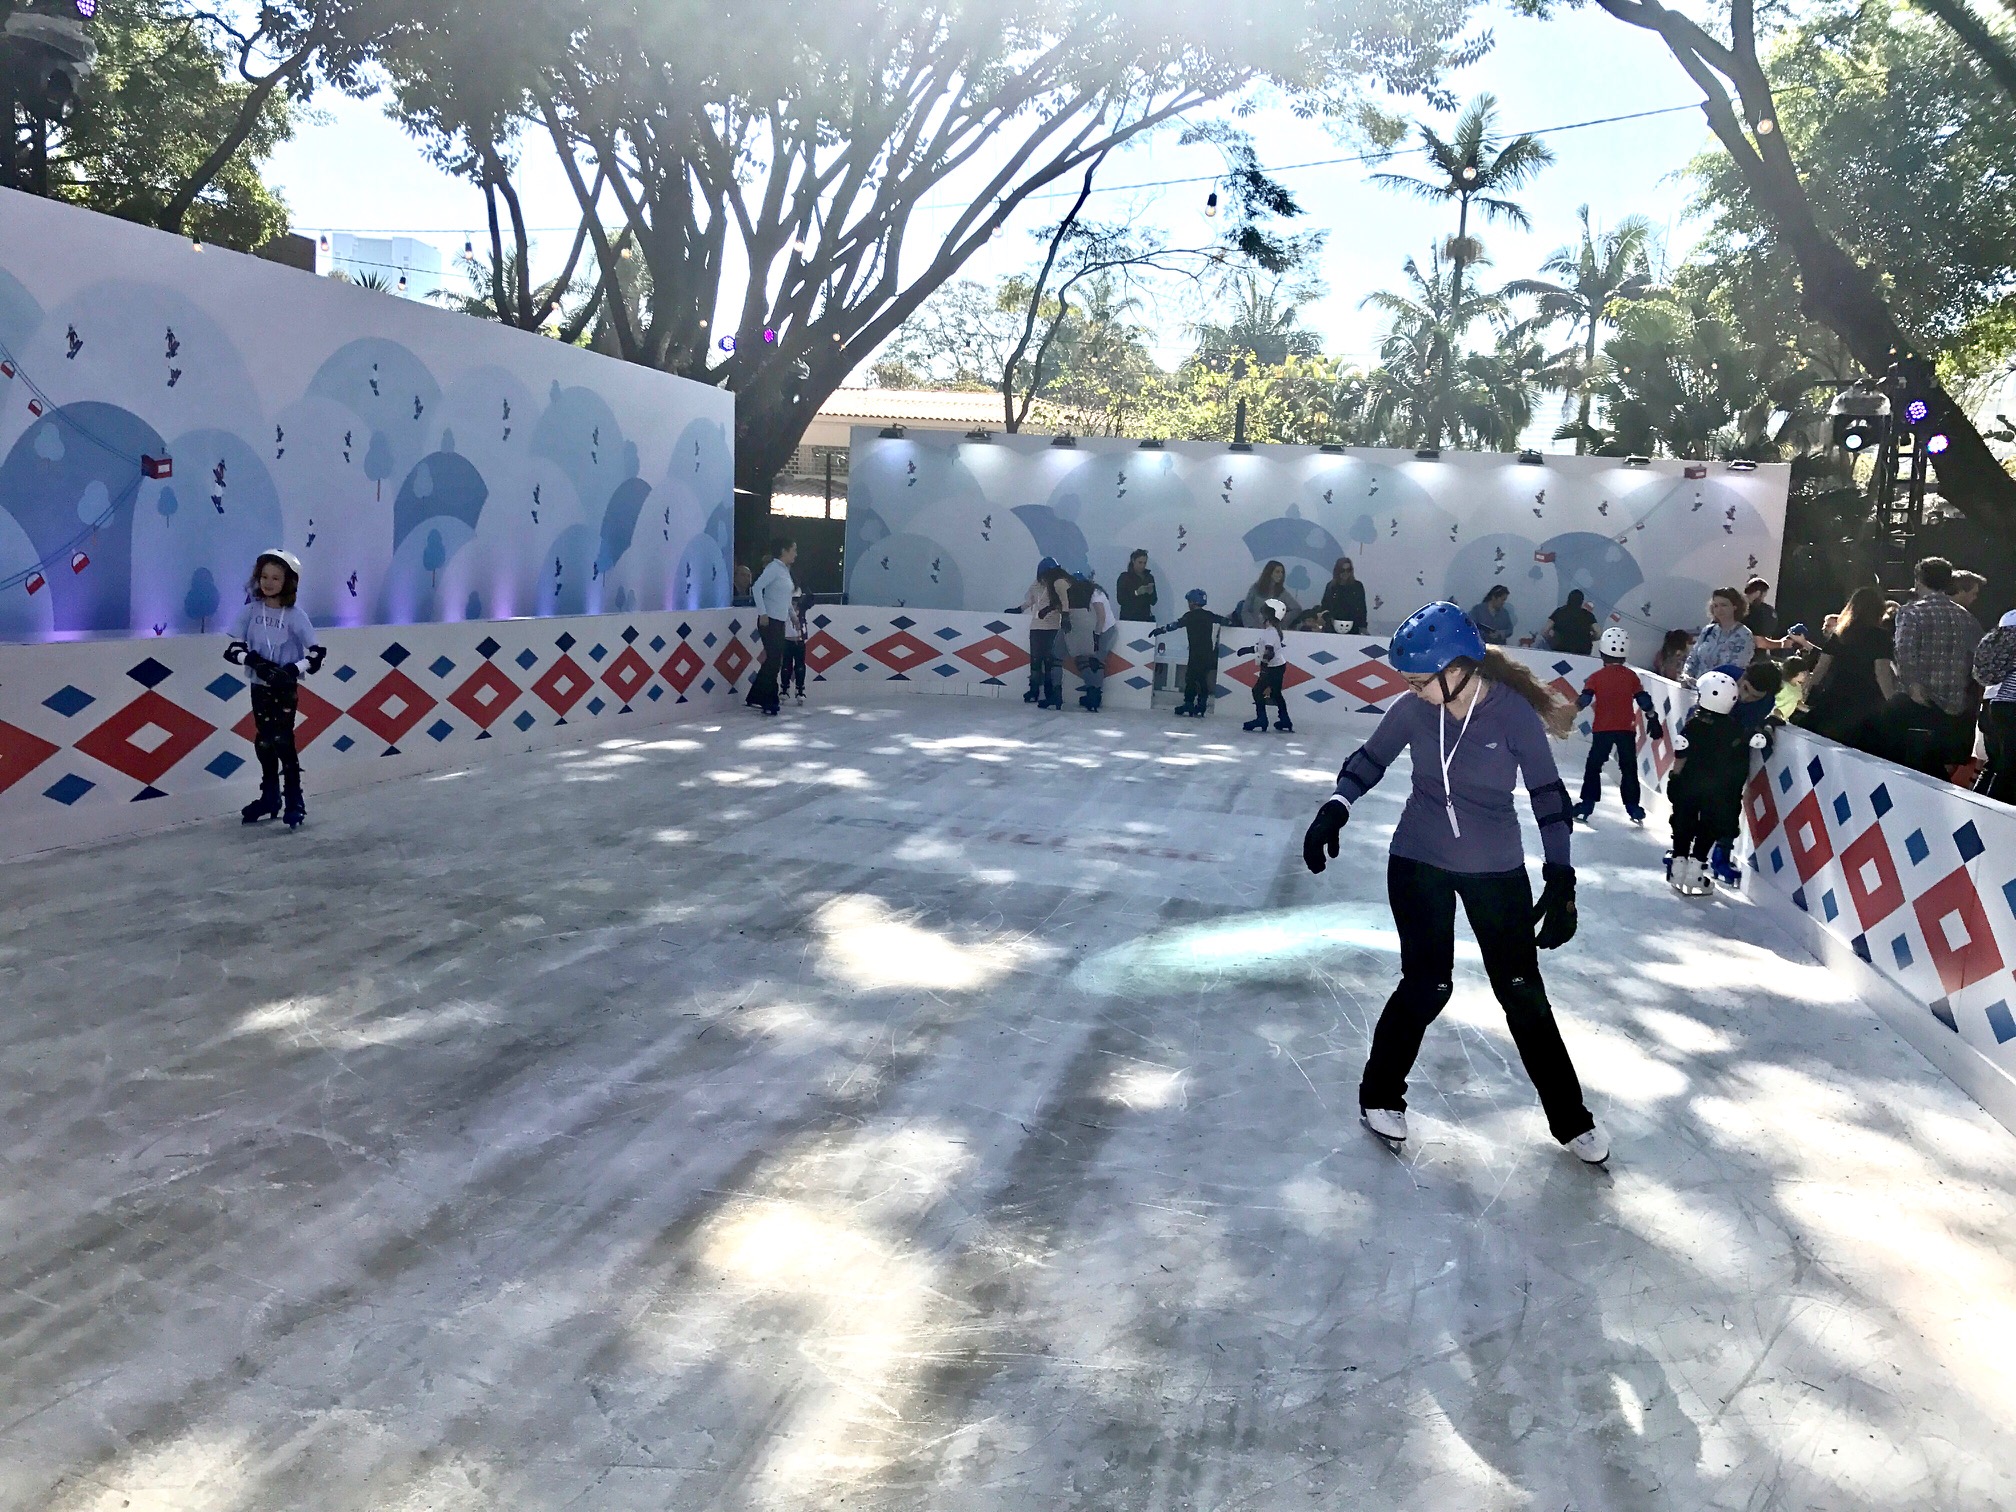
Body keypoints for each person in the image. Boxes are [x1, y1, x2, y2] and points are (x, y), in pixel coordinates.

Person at [1301, 603, 1608, 1165]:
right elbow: (1370, 759)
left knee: (1521, 990)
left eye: (1420, 681)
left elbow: (1547, 795)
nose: (1413, 692)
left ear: (1458, 669)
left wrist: (1561, 875)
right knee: (1428, 984)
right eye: (1409, 682)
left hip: (1496, 868)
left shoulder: (1512, 714)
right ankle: (1379, 1095)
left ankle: (1571, 1118)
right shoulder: (1414, 710)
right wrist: (1336, 806)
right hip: (1418, 859)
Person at [224, 549, 326, 830]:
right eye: (264, 576)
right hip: (259, 686)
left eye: (276, 578)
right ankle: (269, 796)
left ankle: (294, 799)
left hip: (284, 688)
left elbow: (317, 653)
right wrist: (255, 662)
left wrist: (292, 670)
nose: (268, 583)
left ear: (288, 582)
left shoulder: (295, 616)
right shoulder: (251, 611)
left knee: (283, 740)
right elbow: (233, 648)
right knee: (263, 741)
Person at [1889, 556, 1982, 776]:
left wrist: (1912, 686)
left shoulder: (1912, 612)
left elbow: (1904, 652)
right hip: (1954, 706)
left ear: (1919, 580)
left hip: (1919, 702)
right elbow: (1978, 658)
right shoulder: (1966, 617)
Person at [1666, 671, 1757, 897]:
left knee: (1683, 821)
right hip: (1719, 790)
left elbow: (1681, 755)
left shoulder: (1694, 724)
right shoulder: (1735, 728)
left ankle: (1678, 864)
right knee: (1709, 826)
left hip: (1690, 784)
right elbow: (1740, 763)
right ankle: (1696, 869)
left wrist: (1675, 777)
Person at [1574, 626, 1661, 824]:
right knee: (1628, 768)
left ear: (1602, 652)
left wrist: (1570, 712)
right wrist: (1652, 717)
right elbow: (1643, 699)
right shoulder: (1631, 676)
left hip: (1602, 730)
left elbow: (1585, 699)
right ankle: (1633, 808)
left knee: (1594, 766)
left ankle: (1587, 805)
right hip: (1626, 730)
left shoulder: (1596, 677)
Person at [1791, 586, 1894, 751]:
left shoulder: (1840, 634)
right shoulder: (1881, 636)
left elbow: (1821, 667)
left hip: (1836, 695)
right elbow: (1882, 672)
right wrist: (1891, 701)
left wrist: (1807, 688)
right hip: (1866, 701)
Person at [1156, 589, 1233, 718]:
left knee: (1191, 678)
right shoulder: (1208, 615)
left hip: (1195, 653)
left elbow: (1175, 625)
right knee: (1202, 678)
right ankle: (1202, 704)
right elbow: (1223, 620)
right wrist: (1231, 621)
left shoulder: (1189, 616)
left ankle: (1189, 703)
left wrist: (1161, 630)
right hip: (1208, 653)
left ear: (1192, 602)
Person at [747, 536, 798, 716]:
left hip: (779, 620)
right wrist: (762, 612)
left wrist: (792, 615)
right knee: (774, 660)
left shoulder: (784, 570)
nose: (795, 554)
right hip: (769, 621)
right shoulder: (773, 568)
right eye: (793, 550)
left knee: (773, 659)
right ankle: (769, 700)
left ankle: (756, 695)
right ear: (784, 551)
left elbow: (785, 597)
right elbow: (757, 587)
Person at [1974, 610, 2016, 803]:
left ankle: (1979, 806)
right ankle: (1992, 811)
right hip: (2010, 705)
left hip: (1996, 702)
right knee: (2008, 768)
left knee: (1996, 765)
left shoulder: (2007, 621)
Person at [1017, 558, 1068, 708]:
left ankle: (1049, 692)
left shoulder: (1058, 584)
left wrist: (1062, 615)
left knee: (1049, 661)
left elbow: (1063, 602)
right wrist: (1019, 609)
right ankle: (1034, 690)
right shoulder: (1037, 584)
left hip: (1052, 627)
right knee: (1035, 660)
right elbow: (1031, 600)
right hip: (1036, 627)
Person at [1239, 598, 1293, 733]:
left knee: (1257, 691)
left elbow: (1269, 652)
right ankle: (1285, 720)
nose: (1259, 615)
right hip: (1279, 666)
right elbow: (1263, 648)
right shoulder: (1272, 631)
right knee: (1275, 693)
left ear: (1268, 615)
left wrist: (1264, 669)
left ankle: (1261, 719)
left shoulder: (1270, 632)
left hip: (1273, 668)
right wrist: (1248, 650)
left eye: (1261, 613)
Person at [1682, 587, 1754, 683]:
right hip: (1695, 686)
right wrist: (1686, 675)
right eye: (1715, 606)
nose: (1719, 609)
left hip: (1720, 688)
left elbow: (1735, 670)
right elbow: (1693, 658)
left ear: (1735, 606)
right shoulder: (1708, 630)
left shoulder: (1744, 635)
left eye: (1724, 605)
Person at [1244, 560, 1301, 630]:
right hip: (1254, 630)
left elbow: (1296, 609)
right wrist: (1251, 626)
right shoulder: (1255, 588)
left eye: (1282, 572)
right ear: (1269, 572)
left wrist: (1280, 623)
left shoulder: (1282, 592)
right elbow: (1245, 610)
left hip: (1273, 631)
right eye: (1277, 572)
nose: (1280, 574)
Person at [779, 587, 813, 704]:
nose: (794, 603)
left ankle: (800, 689)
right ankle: (784, 688)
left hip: (799, 640)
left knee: (800, 666)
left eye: (796, 601)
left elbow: (811, 598)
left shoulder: (802, 608)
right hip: (786, 640)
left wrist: (802, 585)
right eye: (792, 600)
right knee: (786, 666)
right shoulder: (783, 607)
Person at [1319, 558, 1368, 634]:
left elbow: (1362, 608)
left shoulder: (1357, 586)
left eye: (1348, 570)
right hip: (1332, 628)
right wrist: (1329, 619)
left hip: (1353, 628)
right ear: (1337, 571)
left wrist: (1363, 626)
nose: (1345, 573)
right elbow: (1324, 607)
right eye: (1342, 570)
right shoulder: (1331, 587)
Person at [1544, 589, 1598, 656]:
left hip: (1560, 652)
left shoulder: (1559, 612)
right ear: (1582, 601)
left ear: (1568, 599)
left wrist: (1551, 640)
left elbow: (1545, 631)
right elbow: (1598, 633)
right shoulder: (1588, 615)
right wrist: (1591, 638)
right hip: (1582, 654)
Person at [1116, 549, 1158, 623]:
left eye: (1144, 563)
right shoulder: (1124, 577)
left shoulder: (1149, 577)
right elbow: (1120, 600)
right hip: (1128, 619)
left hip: (1145, 619)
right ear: (1133, 560)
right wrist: (1136, 593)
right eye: (1140, 562)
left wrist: (1151, 593)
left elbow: (1154, 601)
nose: (1142, 566)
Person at [1742, 577, 1779, 644]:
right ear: (1758, 593)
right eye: (1763, 596)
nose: (1763, 600)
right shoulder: (1765, 610)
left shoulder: (1734, 607)